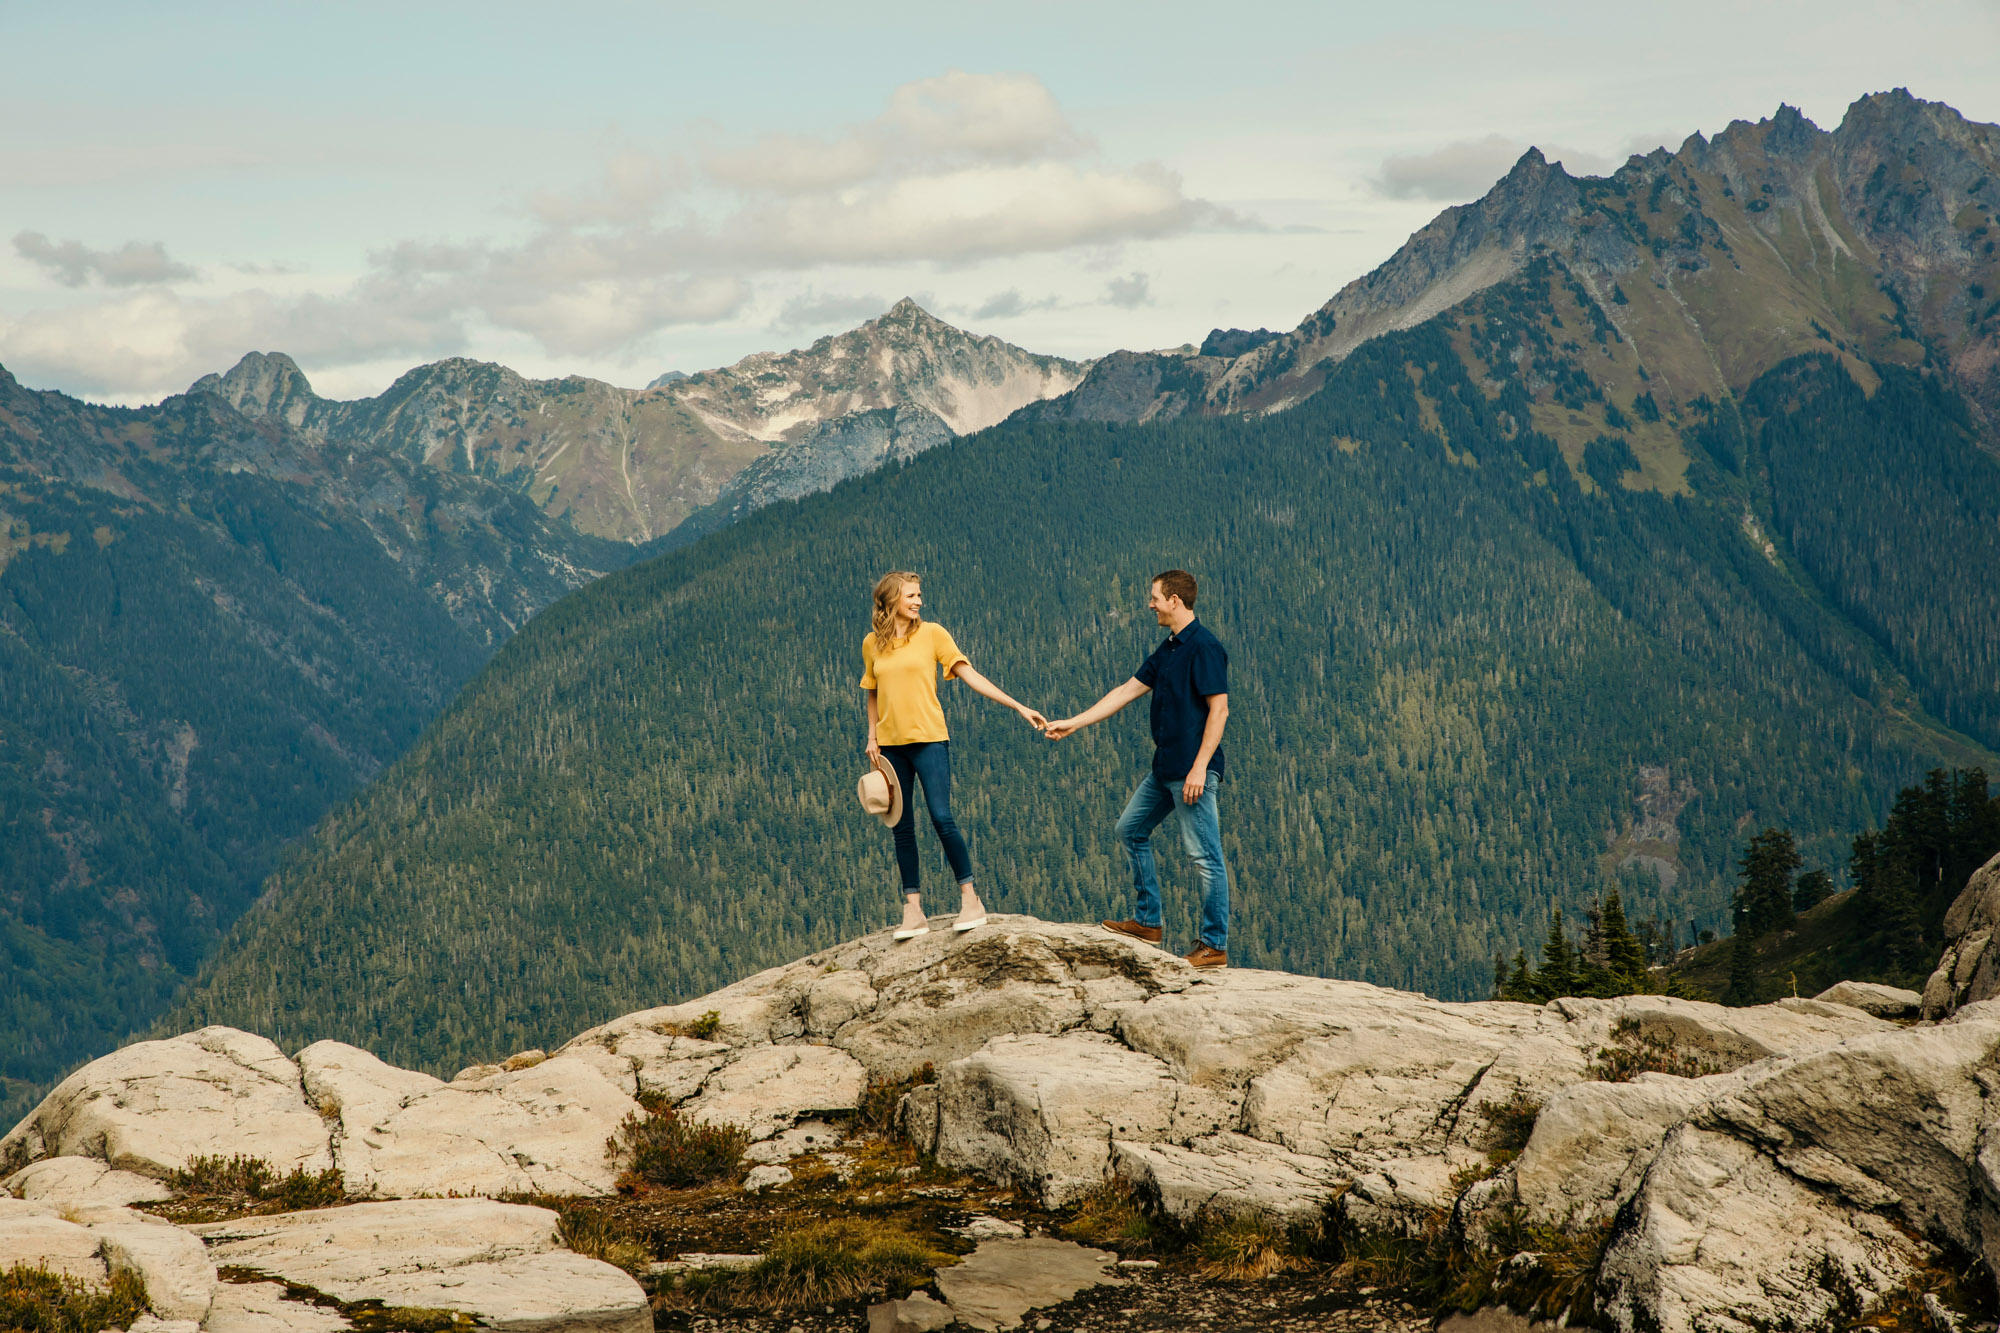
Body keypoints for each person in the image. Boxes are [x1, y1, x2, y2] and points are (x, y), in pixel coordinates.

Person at [1045, 570, 1231, 968]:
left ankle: (1214, 946)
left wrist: (1200, 769)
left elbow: (1220, 710)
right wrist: (1074, 723)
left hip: (1190, 772)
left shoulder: (1204, 647)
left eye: (1155, 598)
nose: (1151, 605)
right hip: (1165, 768)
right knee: (1130, 830)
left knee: (1205, 858)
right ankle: (1148, 923)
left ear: (1175, 600)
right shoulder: (1170, 647)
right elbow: (1126, 691)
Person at [862, 570, 1046, 940]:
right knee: (901, 828)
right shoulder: (872, 643)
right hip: (891, 745)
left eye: (919, 595)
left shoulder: (932, 634)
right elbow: (872, 689)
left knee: (941, 817)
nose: (919, 601)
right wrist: (872, 736)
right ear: (892, 599)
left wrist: (1017, 706)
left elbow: (968, 673)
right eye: (911, 595)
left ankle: (970, 900)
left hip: (930, 739)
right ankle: (913, 910)